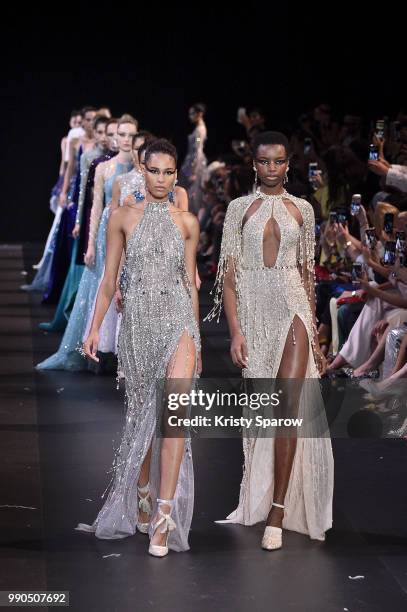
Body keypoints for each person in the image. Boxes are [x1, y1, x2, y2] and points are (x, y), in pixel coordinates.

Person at [206, 131, 333, 550]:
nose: (272, 168)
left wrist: (315, 333)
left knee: (287, 406)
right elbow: (228, 276)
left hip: (292, 307)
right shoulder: (239, 209)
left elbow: (307, 276)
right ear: (254, 165)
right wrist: (236, 331)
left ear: (288, 164)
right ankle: (264, 498)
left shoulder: (304, 210)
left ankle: (278, 511)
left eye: (279, 161)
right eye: (265, 162)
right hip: (255, 310)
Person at [76, 139, 201, 557]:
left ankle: (163, 518)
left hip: (179, 322)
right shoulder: (122, 218)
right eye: (155, 171)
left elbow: (190, 282)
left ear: (176, 176)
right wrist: (94, 329)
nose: (161, 179)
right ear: (142, 171)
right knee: (143, 418)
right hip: (138, 327)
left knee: (173, 418)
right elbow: (109, 279)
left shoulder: (188, 222)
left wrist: (197, 337)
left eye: (169, 172)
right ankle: (143, 491)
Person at [178, 103, 207, 215]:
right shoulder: (198, 128)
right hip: (191, 161)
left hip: (194, 163)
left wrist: (194, 170)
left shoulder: (200, 130)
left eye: (192, 113)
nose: (190, 116)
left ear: (199, 114)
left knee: (190, 190)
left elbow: (198, 149)